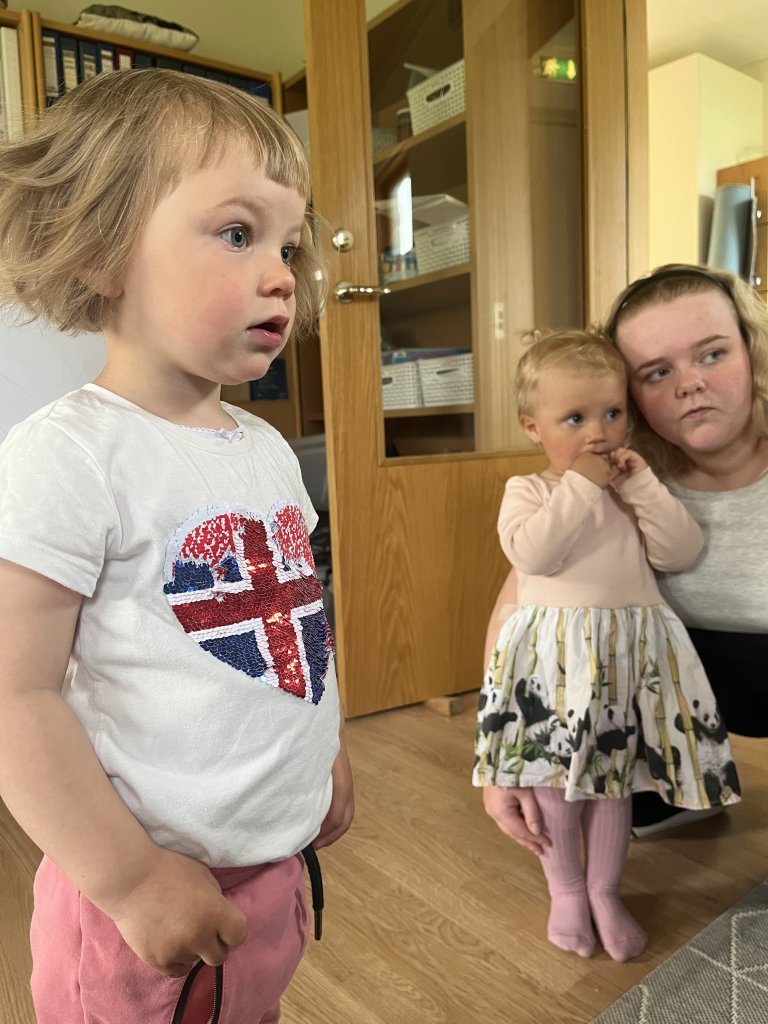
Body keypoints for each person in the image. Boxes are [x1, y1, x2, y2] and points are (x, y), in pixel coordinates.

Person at [0, 69, 353, 1024]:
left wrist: (323, 755)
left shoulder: (268, 448)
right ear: (101, 250)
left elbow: (298, 626)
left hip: (273, 872)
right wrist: (129, 880)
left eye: (289, 244)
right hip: (142, 899)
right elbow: (15, 694)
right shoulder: (68, 456)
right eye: (238, 234)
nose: (282, 273)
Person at [472, 328, 740, 962]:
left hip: (625, 660)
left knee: (613, 785)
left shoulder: (630, 491)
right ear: (533, 427)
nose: (599, 433)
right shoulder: (530, 490)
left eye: (613, 413)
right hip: (553, 667)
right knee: (555, 788)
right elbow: (534, 552)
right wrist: (581, 486)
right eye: (575, 418)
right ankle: (567, 890)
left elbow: (680, 551)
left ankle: (604, 890)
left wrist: (641, 487)